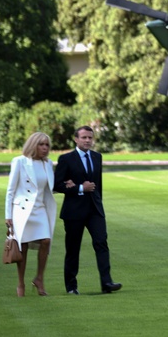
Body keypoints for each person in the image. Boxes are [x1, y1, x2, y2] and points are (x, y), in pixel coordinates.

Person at [53, 125, 122, 295]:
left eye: (90, 137)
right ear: (76, 139)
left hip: (94, 210)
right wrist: (79, 188)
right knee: (73, 248)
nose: (87, 140)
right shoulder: (66, 159)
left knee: (101, 243)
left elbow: (97, 185)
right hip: (74, 211)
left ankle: (107, 283)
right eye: (84, 137)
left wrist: (99, 203)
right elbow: (57, 185)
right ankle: (71, 287)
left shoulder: (97, 157)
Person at [5, 132, 58, 297]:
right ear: (33, 145)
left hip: (40, 209)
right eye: (41, 144)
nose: (45, 148)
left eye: (47, 145)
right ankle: (20, 283)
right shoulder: (19, 161)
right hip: (22, 210)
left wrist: (67, 185)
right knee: (24, 246)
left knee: (46, 241)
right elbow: (10, 190)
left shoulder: (47, 164)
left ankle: (39, 278)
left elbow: (48, 187)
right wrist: (8, 215)